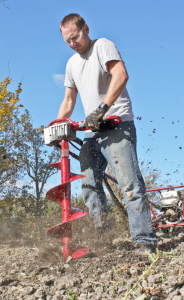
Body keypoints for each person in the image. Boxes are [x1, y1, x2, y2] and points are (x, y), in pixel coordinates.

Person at [57, 13, 158, 251]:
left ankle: (145, 242)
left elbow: (121, 75)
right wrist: (57, 125)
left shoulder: (102, 46)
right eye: (67, 41)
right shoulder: (71, 64)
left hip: (116, 124)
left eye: (75, 37)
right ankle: (103, 240)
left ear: (86, 29)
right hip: (92, 131)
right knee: (89, 184)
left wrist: (102, 108)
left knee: (129, 185)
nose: (73, 43)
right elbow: (69, 102)